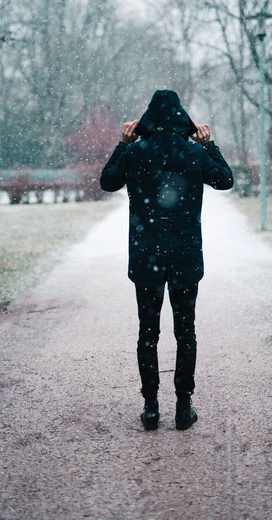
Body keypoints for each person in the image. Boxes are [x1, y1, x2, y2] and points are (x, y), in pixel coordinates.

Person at [100, 90, 234, 430]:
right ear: (180, 117)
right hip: (184, 256)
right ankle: (183, 406)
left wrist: (122, 143)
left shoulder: (134, 153)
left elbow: (107, 181)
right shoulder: (193, 153)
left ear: (148, 119)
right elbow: (225, 179)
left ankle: (150, 408)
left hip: (146, 257)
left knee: (148, 332)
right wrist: (208, 144)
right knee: (185, 332)